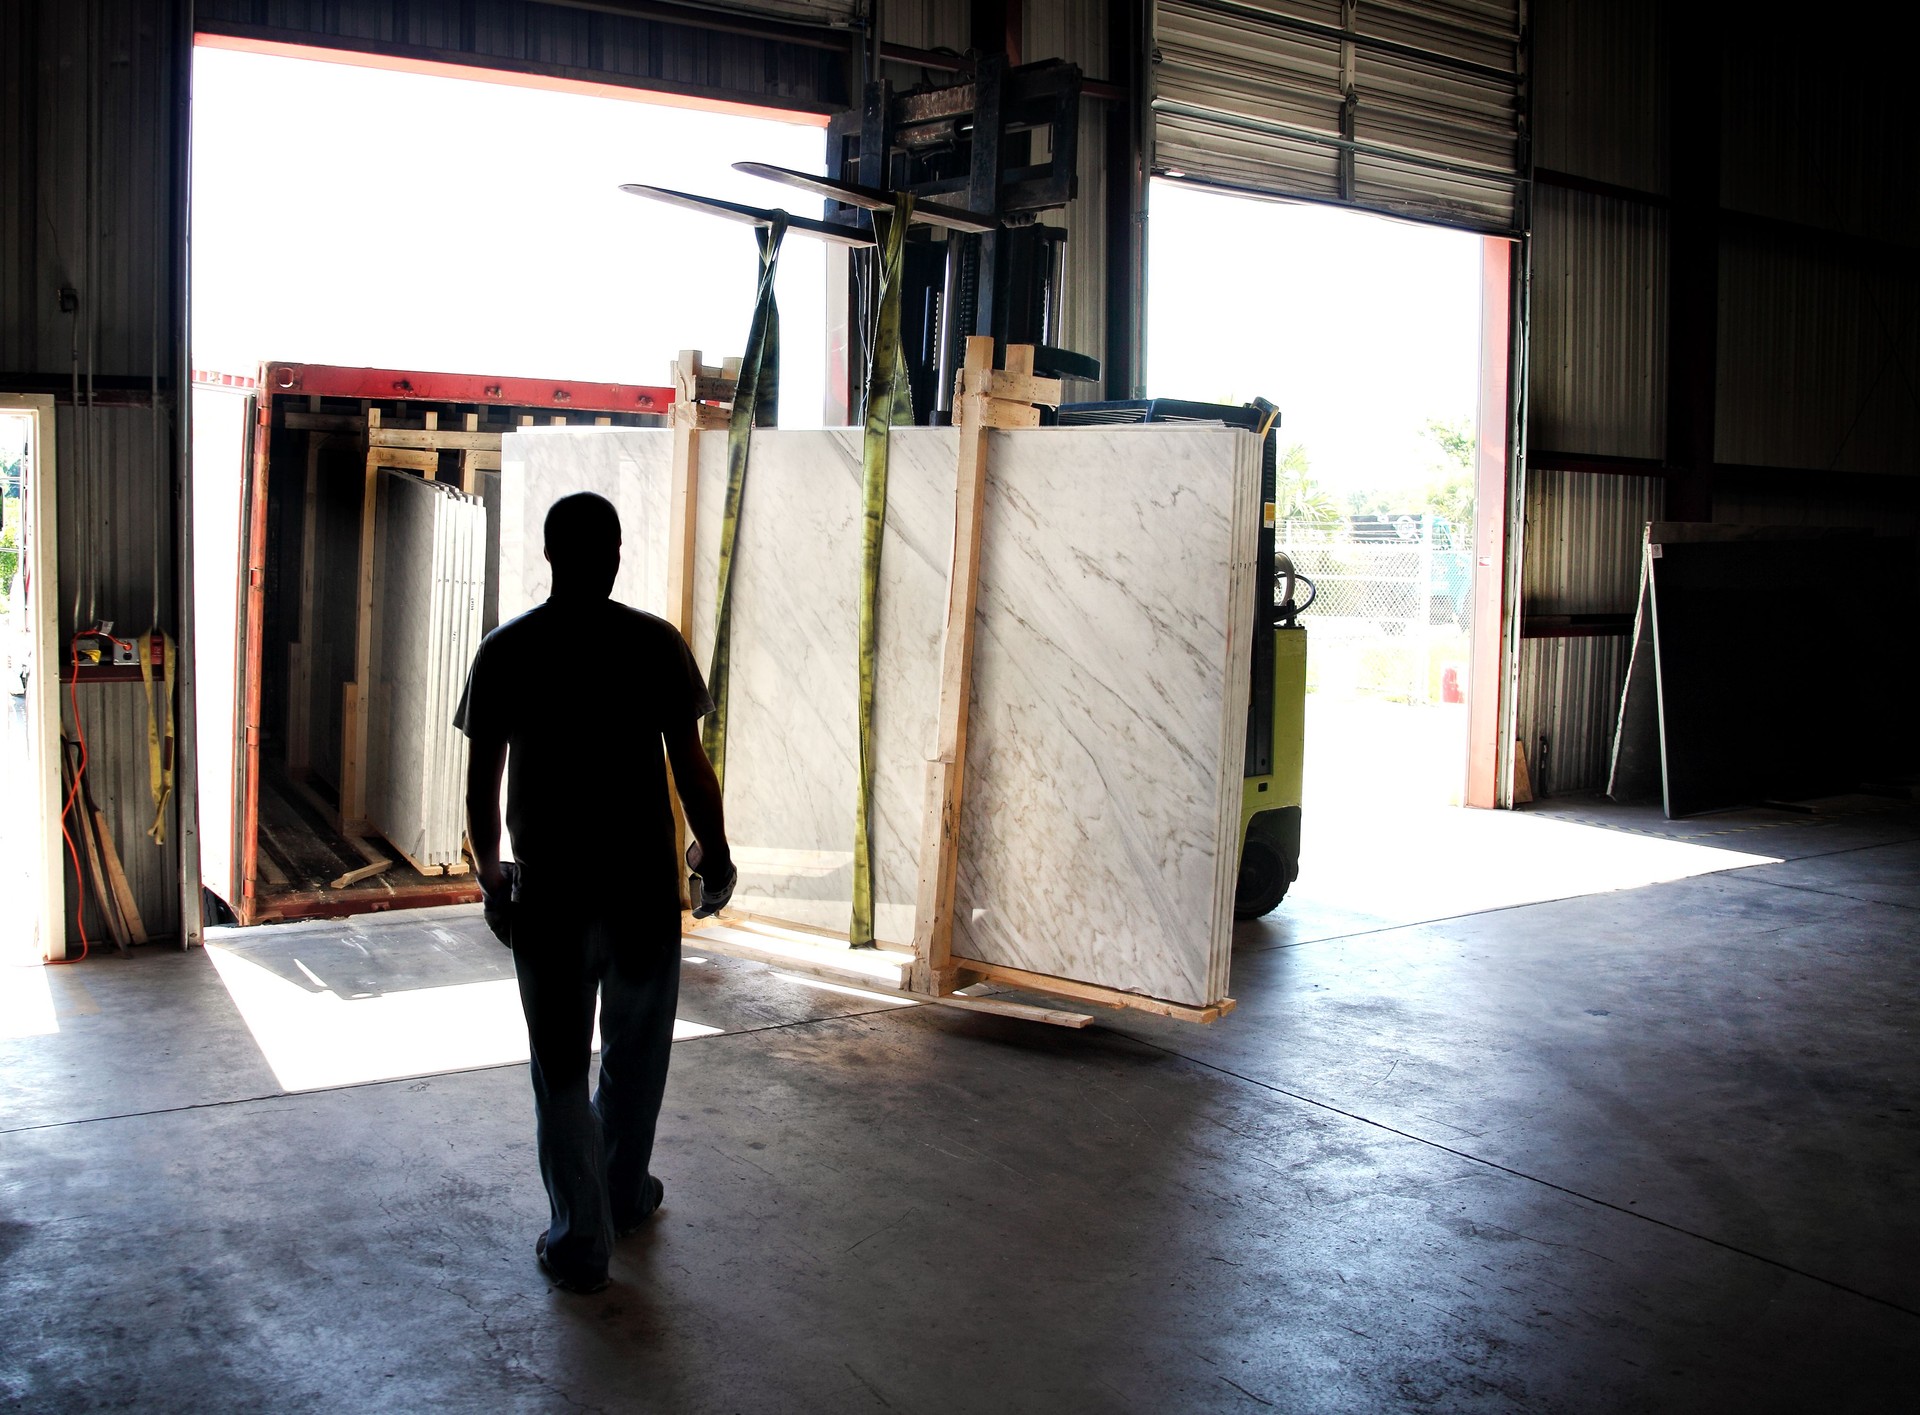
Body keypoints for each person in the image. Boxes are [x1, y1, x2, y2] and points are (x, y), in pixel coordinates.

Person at [456, 490, 735, 1294]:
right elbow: (691, 768)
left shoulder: (506, 650)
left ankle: (581, 1236)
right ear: (616, 553)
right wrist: (712, 855)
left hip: (551, 899)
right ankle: (622, 1193)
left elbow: (482, 792)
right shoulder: (653, 645)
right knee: (636, 1059)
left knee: (559, 1071)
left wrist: (491, 877)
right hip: (642, 896)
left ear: (550, 554)